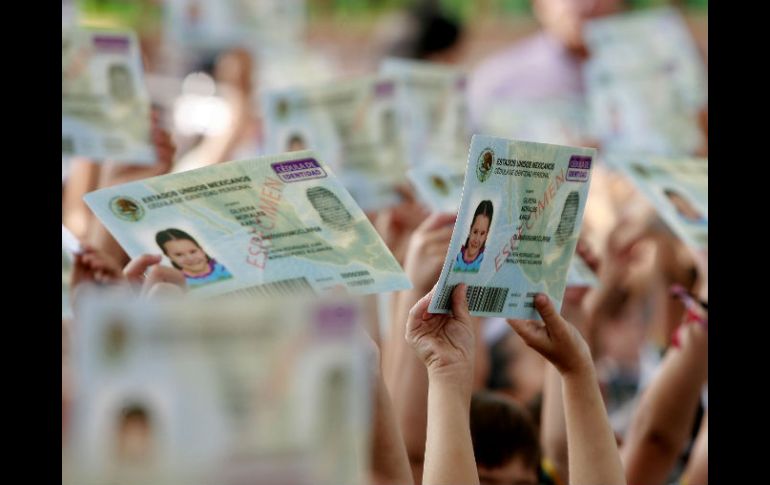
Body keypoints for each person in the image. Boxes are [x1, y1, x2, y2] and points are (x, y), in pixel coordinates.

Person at [155, 228, 232, 287]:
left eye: (193, 251)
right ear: (170, 257)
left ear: (201, 250)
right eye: (179, 255)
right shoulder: (178, 283)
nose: (190, 258)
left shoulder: (224, 267)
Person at [454, 200, 493, 272]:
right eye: (475, 232)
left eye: (482, 233)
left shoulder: (485, 264)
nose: (476, 240)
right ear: (470, 230)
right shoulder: (457, 256)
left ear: (486, 235)